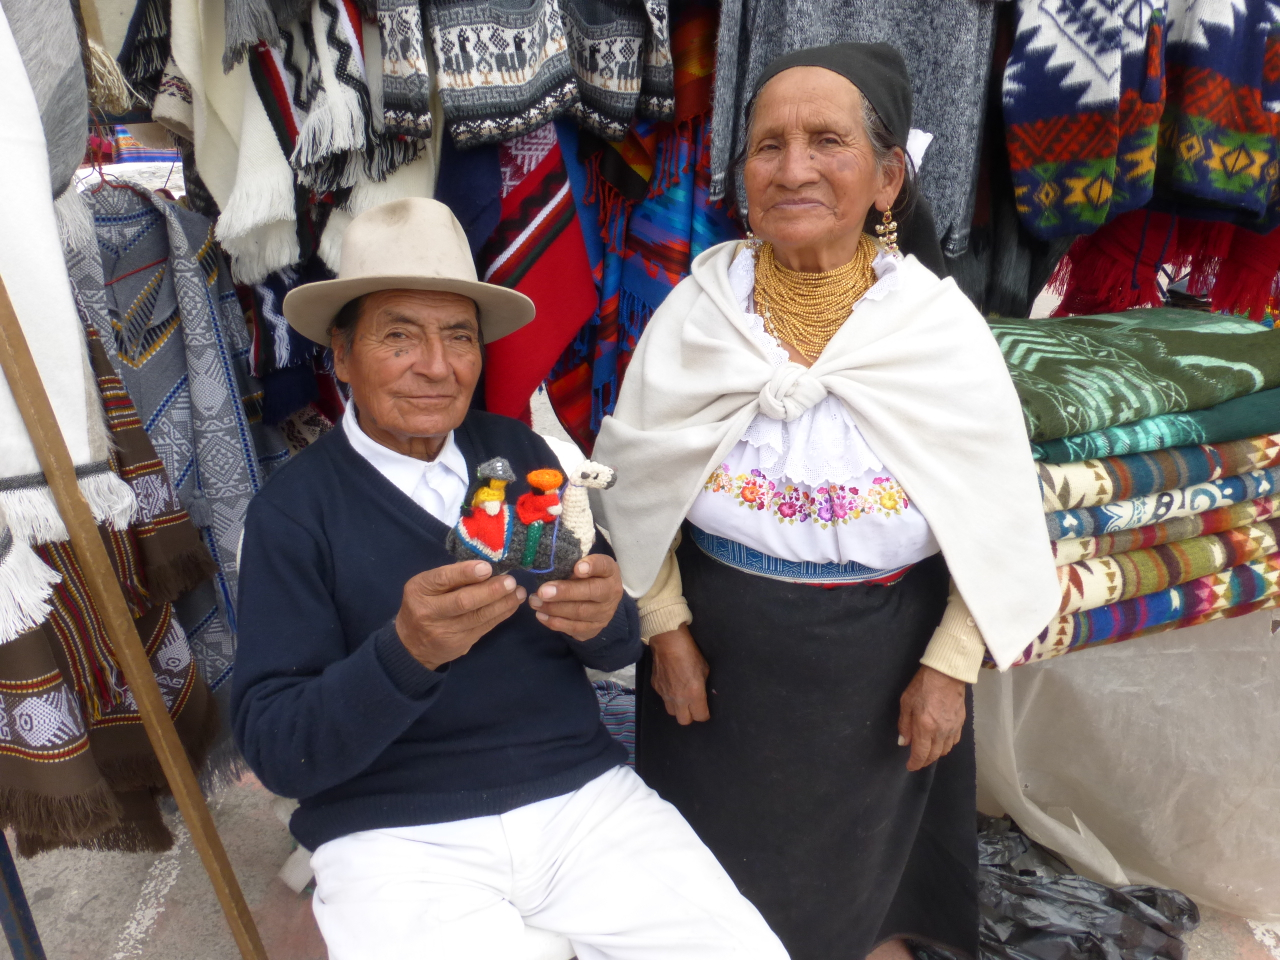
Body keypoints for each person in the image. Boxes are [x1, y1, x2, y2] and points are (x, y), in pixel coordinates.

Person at [591, 43, 1061, 960]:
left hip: (886, 667)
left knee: (868, 907)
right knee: (709, 904)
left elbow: (996, 514)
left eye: (827, 142)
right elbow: (637, 482)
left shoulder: (935, 329)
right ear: (743, 177)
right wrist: (665, 627)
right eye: (768, 146)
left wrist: (950, 668)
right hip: (714, 664)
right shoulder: (700, 312)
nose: (793, 168)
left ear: (888, 179)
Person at [231, 198, 790, 960]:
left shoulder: (520, 454)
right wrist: (405, 652)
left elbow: (614, 642)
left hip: (577, 800)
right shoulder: (293, 513)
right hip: (394, 833)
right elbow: (277, 748)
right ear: (343, 354)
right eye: (400, 336)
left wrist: (604, 617)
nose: (437, 365)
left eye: (459, 336)